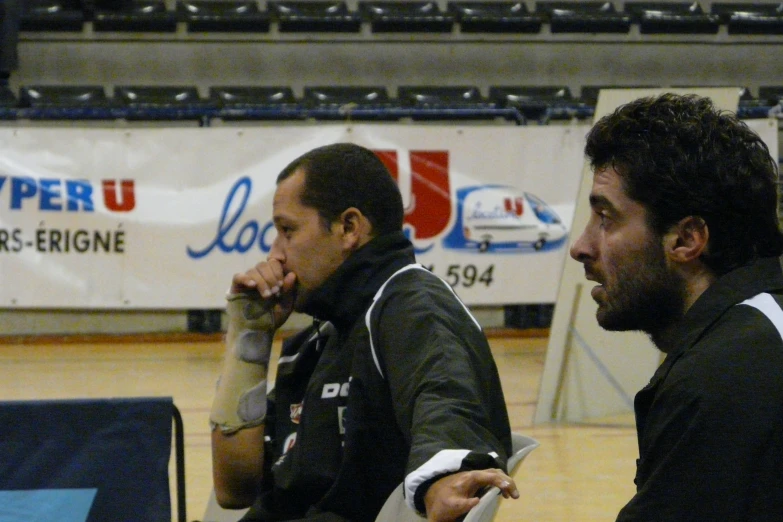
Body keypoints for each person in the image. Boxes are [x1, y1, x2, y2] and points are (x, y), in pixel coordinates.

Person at [209, 143, 518, 522]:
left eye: (287, 230)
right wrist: (249, 333)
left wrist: (447, 473)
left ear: (349, 228)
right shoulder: (317, 341)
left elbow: (446, 396)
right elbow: (233, 488)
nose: (275, 254)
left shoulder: (413, 304)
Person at [569, 93, 783, 520]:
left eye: (606, 218)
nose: (581, 247)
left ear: (686, 240)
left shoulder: (721, 378)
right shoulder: (758, 332)